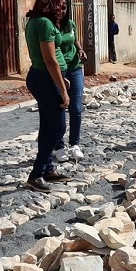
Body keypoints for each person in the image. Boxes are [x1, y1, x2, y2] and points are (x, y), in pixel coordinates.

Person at [24, 0, 72, 192]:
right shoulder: (44, 23)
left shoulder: (37, 21)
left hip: (45, 77)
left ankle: (47, 168)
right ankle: (35, 174)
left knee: (47, 125)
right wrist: (62, 89)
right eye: (60, 1)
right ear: (52, 2)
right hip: (45, 78)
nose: (63, 6)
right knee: (58, 128)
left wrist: (61, 79)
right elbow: (50, 59)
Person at [53, 15, 88, 163]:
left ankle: (74, 144)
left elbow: (75, 39)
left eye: (65, 7)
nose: (62, 11)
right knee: (59, 107)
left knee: (76, 108)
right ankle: (58, 147)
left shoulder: (70, 24)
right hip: (59, 69)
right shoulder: (50, 26)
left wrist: (80, 49)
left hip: (75, 68)